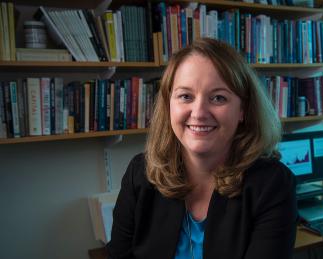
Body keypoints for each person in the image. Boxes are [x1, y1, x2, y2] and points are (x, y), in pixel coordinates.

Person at [107, 38, 297, 259]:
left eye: (218, 98)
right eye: (185, 96)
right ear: (169, 104)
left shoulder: (273, 184)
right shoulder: (140, 172)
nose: (198, 113)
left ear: (242, 109)